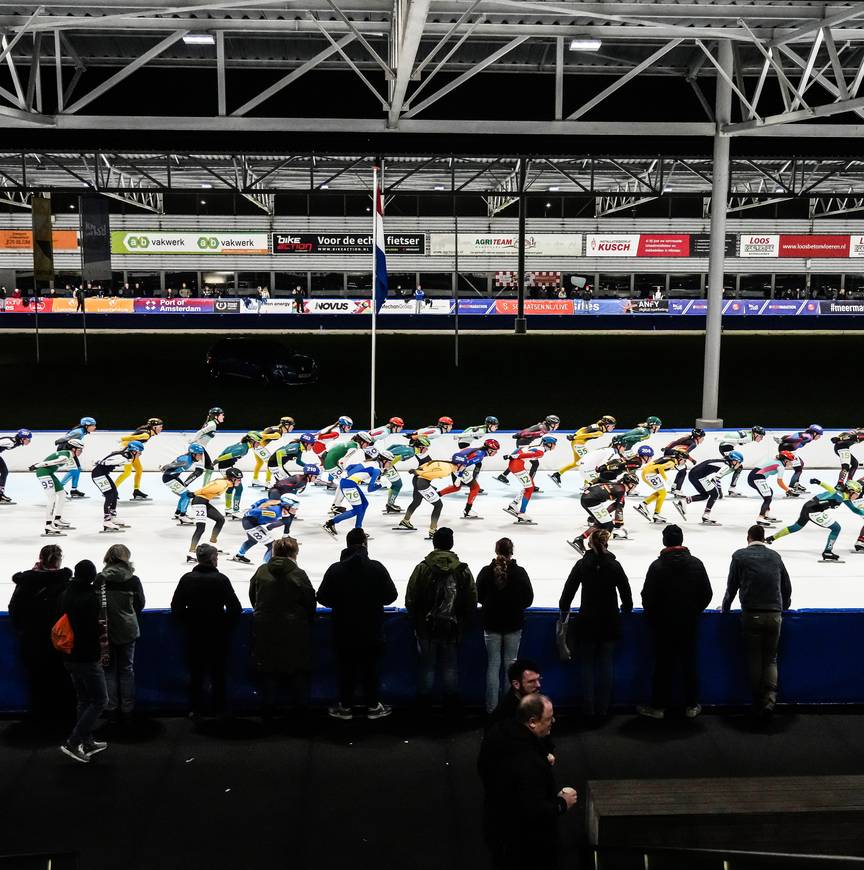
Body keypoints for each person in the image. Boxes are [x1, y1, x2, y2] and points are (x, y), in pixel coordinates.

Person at [477, 694, 578, 870]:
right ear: (532, 721)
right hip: (525, 844)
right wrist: (562, 803)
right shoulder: (529, 764)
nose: (553, 721)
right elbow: (535, 810)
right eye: (548, 718)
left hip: (496, 827)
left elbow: (482, 767)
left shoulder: (499, 731)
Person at [316, 527, 398, 720]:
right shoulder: (376, 567)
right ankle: (372, 706)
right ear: (365, 544)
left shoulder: (335, 569)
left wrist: (341, 602)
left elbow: (322, 598)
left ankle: (345, 706)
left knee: (346, 669)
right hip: (372, 628)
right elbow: (391, 596)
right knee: (370, 669)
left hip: (343, 629)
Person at [638, 524, 712, 719]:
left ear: (664, 541)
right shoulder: (696, 563)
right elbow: (707, 593)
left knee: (663, 665)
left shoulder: (657, 566)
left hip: (664, 625)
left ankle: (658, 707)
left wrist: (656, 616)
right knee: (689, 663)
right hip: (688, 623)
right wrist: (693, 611)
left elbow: (647, 596)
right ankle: (692, 705)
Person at [559, 528, 633, 718]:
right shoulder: (614, 566)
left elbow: (567, 593)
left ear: (590, 543)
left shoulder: (582, 564)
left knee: (587, 665)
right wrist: (626, 608)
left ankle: (588, 707)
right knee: (606, 665)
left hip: (588, 621)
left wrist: (564, 610)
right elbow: (626, 593)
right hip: (609, 622)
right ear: (607, 543)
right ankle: (603, 709)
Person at [722, 525, 792, 717]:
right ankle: (769, 701)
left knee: (754, 657)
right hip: (774, 613)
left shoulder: (739, 556)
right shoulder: (775, 556)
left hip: (752, 613)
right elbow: (786, 585)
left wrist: (725, 608)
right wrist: (784, 606)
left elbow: (732, 586)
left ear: (748, 538)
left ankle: (756, 699)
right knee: (771, 659)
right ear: (763, 538)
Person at [405, 527, 477, 709]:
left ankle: (423, 706)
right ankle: (452, 706)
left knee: (427, 666)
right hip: (452, 628)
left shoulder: (422, 568)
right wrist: (462, 623)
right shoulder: (462, 570)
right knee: (450, 666)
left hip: (426, 628)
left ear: (434, 543)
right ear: (451, 544)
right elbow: (471, 599)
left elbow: (411, 597)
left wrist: (417, 622)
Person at [171, 543, 242, 718]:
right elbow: (235, 608)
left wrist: (189, 621)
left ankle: (196, 708)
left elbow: (176, 607)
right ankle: (219, 707)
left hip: (195, 633)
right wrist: (224, 624)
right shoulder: (221, 580)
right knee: (218, 672)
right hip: (217, 633)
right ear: (212, 559)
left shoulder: (187, 578)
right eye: (216, 557)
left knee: (196, 672)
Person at [248, 536, 316, 718]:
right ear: (295, 553)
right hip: (294, 628)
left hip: (265, 627)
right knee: (297, 669)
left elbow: (253, 596)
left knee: (268, 669)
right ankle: (299, 714)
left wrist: (262, 613)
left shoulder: (262, 571)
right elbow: (310, 601)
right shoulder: (298, 574)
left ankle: (268, 712)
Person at [9, 544, 73, 724]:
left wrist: (23, 630)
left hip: (32, 641)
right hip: (57, 642)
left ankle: (40, 719)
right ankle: (61, 720)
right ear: (59, 560)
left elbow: (14, 609)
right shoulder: (64, 582)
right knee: (59, 679)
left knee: (36, 680)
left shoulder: (25, 582)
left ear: (41, 558)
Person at [59, 560, 110, 763]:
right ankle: (73, 741)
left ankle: (87, 740)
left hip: (69, 653)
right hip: (86, 656)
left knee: (84, 699)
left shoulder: (65, 594)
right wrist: (100, 629)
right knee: (100, 700)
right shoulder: (90, 598)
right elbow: (89, 628)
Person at [476, 538, 534, 713]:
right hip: (513, 624)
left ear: (496, 551)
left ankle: (492, 709)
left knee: (493, 665)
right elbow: (528, 599)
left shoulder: (486, 572)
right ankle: (509, 709)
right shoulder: (520, 572)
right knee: (511, 666)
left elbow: (478, 596)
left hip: (491, 624)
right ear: (512, 551)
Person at [100, 544, 144, 722]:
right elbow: (140, 603)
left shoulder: (100, 579)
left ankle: (111, 707)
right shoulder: (133, 580)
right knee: (127, 669)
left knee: (109, 670)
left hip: (107, 630)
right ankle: (128, 708)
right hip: (127, 630)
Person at [487, 658, 542, 728]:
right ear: (516, 684)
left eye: (538, 679)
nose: (538, 685)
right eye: (531, 681)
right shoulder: (509, 716)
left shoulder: (529, 698)